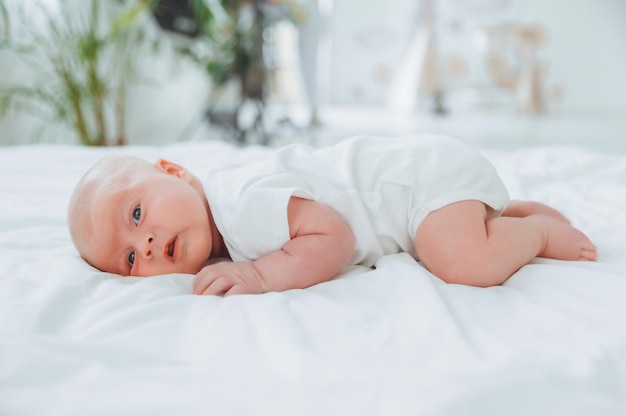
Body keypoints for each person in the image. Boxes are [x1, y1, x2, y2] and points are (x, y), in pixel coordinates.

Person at [68, 134, 598, 296]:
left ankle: (533, 232)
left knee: (461, 261)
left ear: (177, 171)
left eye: (137, 213)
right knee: (446, 239)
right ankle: (497, 215)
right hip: (428, 192)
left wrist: (257, 274)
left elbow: (333, 235)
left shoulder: (238, 202)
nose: (149, 241)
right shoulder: (220, 226)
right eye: (131, 259)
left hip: (420, 184)